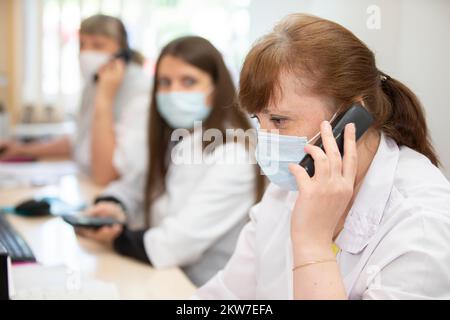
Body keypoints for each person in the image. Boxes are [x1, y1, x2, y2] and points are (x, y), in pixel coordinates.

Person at [194, 14, 450, 299]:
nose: (265, 141)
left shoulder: (422, 224)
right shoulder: (291, 187)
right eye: (259, 120)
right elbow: (227, 295)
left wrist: (312, 244)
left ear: (352, 119)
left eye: (279, 120)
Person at [76, 36, 266, 286]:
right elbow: (138, 185)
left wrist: (114, 239)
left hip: (203, 289)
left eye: (189, 81)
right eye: (164, 82)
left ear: (217, 87)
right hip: (166, 278)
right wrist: (113, 205)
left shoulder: (236, 154)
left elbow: (175, 244)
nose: (174, 91)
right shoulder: (180, 136)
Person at [0, 14, 151, 186]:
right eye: (82, 45)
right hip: (85, 182)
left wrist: (104, 99)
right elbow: (79, 141)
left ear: (122, 51)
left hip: (111, 191)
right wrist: (21, 149)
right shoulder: (94, 82)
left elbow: (105, 174)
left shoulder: (140, 91)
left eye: (98, 45)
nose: (86, 52)